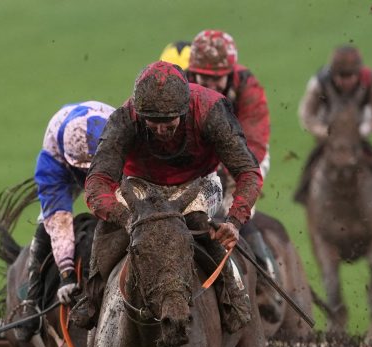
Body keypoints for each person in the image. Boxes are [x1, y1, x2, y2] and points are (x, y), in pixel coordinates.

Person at [71, 61, 263, 333]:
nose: (161, 131)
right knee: (108, 227)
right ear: (139, 114)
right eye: (153, 124)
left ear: (185, 111)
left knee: (198, 222)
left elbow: (248, 171)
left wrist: (234, 221)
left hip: (198, 182)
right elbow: (97, 182)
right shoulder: (124, 118)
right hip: (141, 185)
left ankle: (232, 291)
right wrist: (125, 218)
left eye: (169, 124)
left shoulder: (211, 110)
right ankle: (92, 295)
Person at [186, 29, 281, 320]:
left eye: (217, 78)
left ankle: (266, 278)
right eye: (204, 77)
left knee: (234, 212)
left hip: (244, 159)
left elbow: (253, 142)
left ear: (231, 72)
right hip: (199, 160)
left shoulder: (249, 88)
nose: (211, 84)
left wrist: (227, 171)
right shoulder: (182, 87)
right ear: (192, 71)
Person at [14, 101, 114, 341]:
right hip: (62, 163)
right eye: (84, 169)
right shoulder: (53, 159)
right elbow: (59, 221)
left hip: (110, 161)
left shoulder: (119, 136)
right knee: (49, 221)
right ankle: (31, 300)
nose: (88, 175)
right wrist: (67, 274)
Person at [295, 45, 372, 208]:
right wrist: (324, 132)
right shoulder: (319, 83)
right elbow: (306, 114)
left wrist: (365, 129)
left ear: (358, 73)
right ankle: (303, 193)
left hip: (357, 137)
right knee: (312, 164)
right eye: (341, 76)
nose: (345, 81)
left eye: (350, 76)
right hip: (329, 138)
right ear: (333, 74)